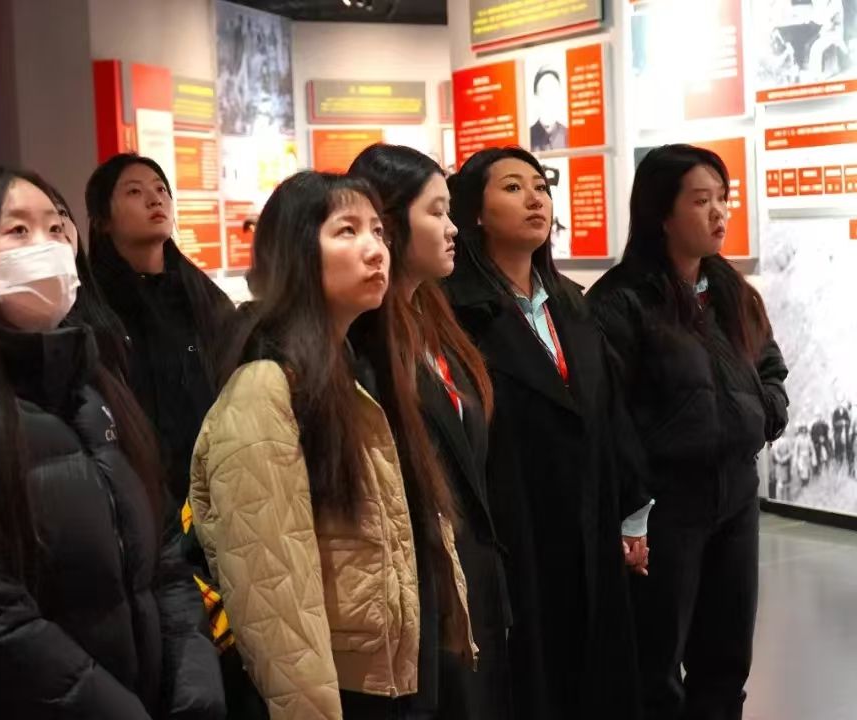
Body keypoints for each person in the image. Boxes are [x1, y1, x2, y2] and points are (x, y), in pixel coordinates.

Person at [0, 163, 225, 718]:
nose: (49, 245)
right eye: (18, 230)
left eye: (57, 227)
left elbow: (161, 557)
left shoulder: (92, 393)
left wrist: (194, 693)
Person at [189, 171, 477, 720]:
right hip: (340, 692)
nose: (375, 250)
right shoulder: (266, 388)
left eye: (378, 232)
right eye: (347, 231)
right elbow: (274, 595)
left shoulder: (364, 371)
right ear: (296, 252)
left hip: (394, 678)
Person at [588, 144, 790, 720]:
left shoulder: (731, 292)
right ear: (662, 213)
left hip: (737, 496)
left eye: (723, 198)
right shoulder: (621, 301)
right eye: (701, 200)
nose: (718, 213)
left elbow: (770, 369)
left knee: (726, 661)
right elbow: (610, 413)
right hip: (665, 506)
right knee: (656, 666)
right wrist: (632, 508)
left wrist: (763, 414)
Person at [445, 146, 647, 720]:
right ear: (474, 211)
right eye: (512, 188)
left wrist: (631, 514)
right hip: (518, 533)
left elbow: (609, 414)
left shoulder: (571, 304)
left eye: (540, 187)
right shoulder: (456, 314)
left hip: (588, 529)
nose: (535, 199)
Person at [348, 143, 512, 719]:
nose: (452, 228)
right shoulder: (363, 344)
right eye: (436, 212)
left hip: (471, 573)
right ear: (392, 225)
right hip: (417, 585)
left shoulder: (435, 319)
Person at [85, 154, 236, 509]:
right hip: (144, 493)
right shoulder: (95, 308)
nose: (155, 200)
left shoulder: (202, 296)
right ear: (103, 220)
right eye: (134, 192)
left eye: (161, 189)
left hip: (216, 484)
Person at [529, 68, 568, 152]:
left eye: (553, 90)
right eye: (544, 90)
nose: (549, 96)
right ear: (535, 97)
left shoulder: (568, 136)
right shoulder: (527, 137)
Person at [771, 434, 794, 501]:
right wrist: (779, 459)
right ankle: (779, 499)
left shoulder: (787, 441)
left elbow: (790, 452)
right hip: (779, 465)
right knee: (779, 483)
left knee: (785, 483)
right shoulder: (776, 441)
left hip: (785, 466)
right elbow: (774, 452)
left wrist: (785, 458)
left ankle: (785, 500)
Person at [795, 425, 816, 489]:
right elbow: (796, 449)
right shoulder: (798, 439)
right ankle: (802, 483)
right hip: (801, 456)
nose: (804, 433)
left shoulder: (808, 438)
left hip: (807, 456)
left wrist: (813, 458)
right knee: (801, 469)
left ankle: (807, 483)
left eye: (805, 432)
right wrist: (795, 458)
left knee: (807, 470)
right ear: (801, 432)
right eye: (802, 432)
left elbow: (812, 448)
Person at [832, 399, 850, 467]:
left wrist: (845, 423)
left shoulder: (845, 412)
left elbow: (849, 421)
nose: (841, 405)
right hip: (838, 432)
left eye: (842, 403)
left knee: (849, 442)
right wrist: (840, 423)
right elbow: (833, 423)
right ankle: (838, 458)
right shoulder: (835, 412)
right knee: (837, 441)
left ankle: (848, 458)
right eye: (839, 403)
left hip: (845, 431)